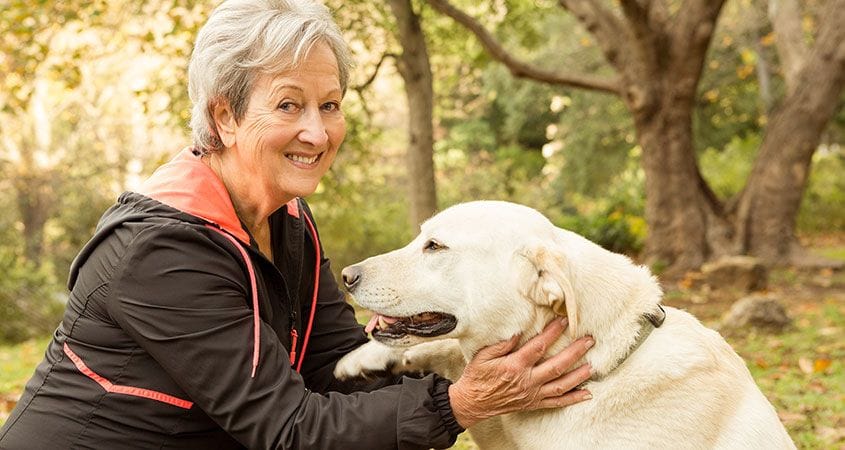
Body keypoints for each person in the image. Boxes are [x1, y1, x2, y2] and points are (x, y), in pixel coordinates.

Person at [0, 0, 594, 448]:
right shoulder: (159, 252)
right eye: (289, 105)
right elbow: (288, 430)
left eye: (330, 104)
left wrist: (476, 361)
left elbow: (335, 366)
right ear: (225, 116)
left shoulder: (286, 218)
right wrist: (459, 404)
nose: (318, 132)